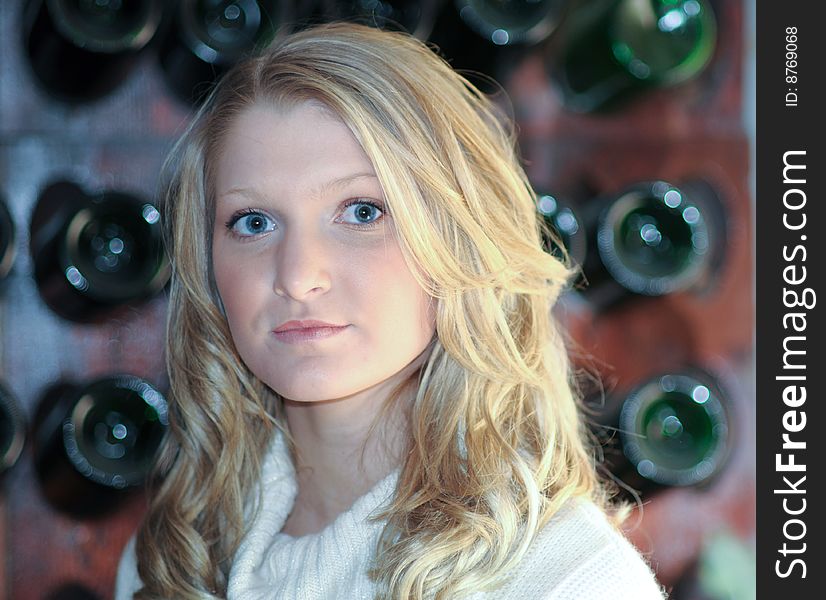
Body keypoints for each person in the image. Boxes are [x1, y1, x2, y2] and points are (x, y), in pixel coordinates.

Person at [115, 21, 666, 600]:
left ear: (458, 239)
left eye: (361, 212)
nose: (299, 277)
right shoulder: (173, 558)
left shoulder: (564, 579)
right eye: (254, 223)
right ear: (207, 265)